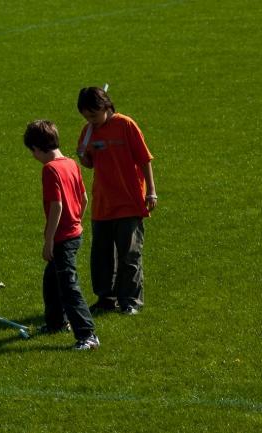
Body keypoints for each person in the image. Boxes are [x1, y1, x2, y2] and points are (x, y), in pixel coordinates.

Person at [75, 87, 157, 315]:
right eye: (86, 117)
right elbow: (90, 163)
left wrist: (151, 191)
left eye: (93, 115)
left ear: (106, 107)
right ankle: (106, 298)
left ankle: (131, 301)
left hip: (129, 201)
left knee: (129, 253)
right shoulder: (88, 131)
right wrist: (83, 156)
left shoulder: (126, 125)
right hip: (103, 202)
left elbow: (144, 158)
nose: (90, 120)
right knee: (101, 256)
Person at [23, 119, 99, 350]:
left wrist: (49, 241)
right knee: (51, 281)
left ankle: (87, 335)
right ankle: (56, 322)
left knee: (68, 286)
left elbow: (56, 207)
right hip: (75, 232)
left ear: (37, 148)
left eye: (33, 152)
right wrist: (77, 221)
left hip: (62, 238)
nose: (34, 157)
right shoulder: (71, 164)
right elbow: (84, 199)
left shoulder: (50, 169)